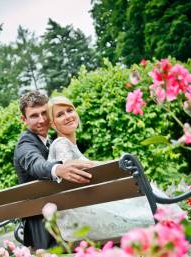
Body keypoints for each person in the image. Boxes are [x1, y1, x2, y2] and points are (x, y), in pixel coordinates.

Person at [47, 96, 182, 242]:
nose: (67, 116)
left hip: (81, 216)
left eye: (69, 110)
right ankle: (176, 228)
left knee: (141, 193)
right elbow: (70, 167)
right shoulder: (61, 143)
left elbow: (87, 164)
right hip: (83, 219)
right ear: (53, 124)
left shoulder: (68, 145)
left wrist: (113, 164)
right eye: (60, 115)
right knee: (145, 192)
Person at [13, 91, 95, 249]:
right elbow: (35, 164)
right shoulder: (25, 144)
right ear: (24, 119)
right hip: (43, 226)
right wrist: (58, 169)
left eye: (44, 113)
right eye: (34, 115)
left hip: (61, 216)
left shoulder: (51, 143)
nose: (42, 120)